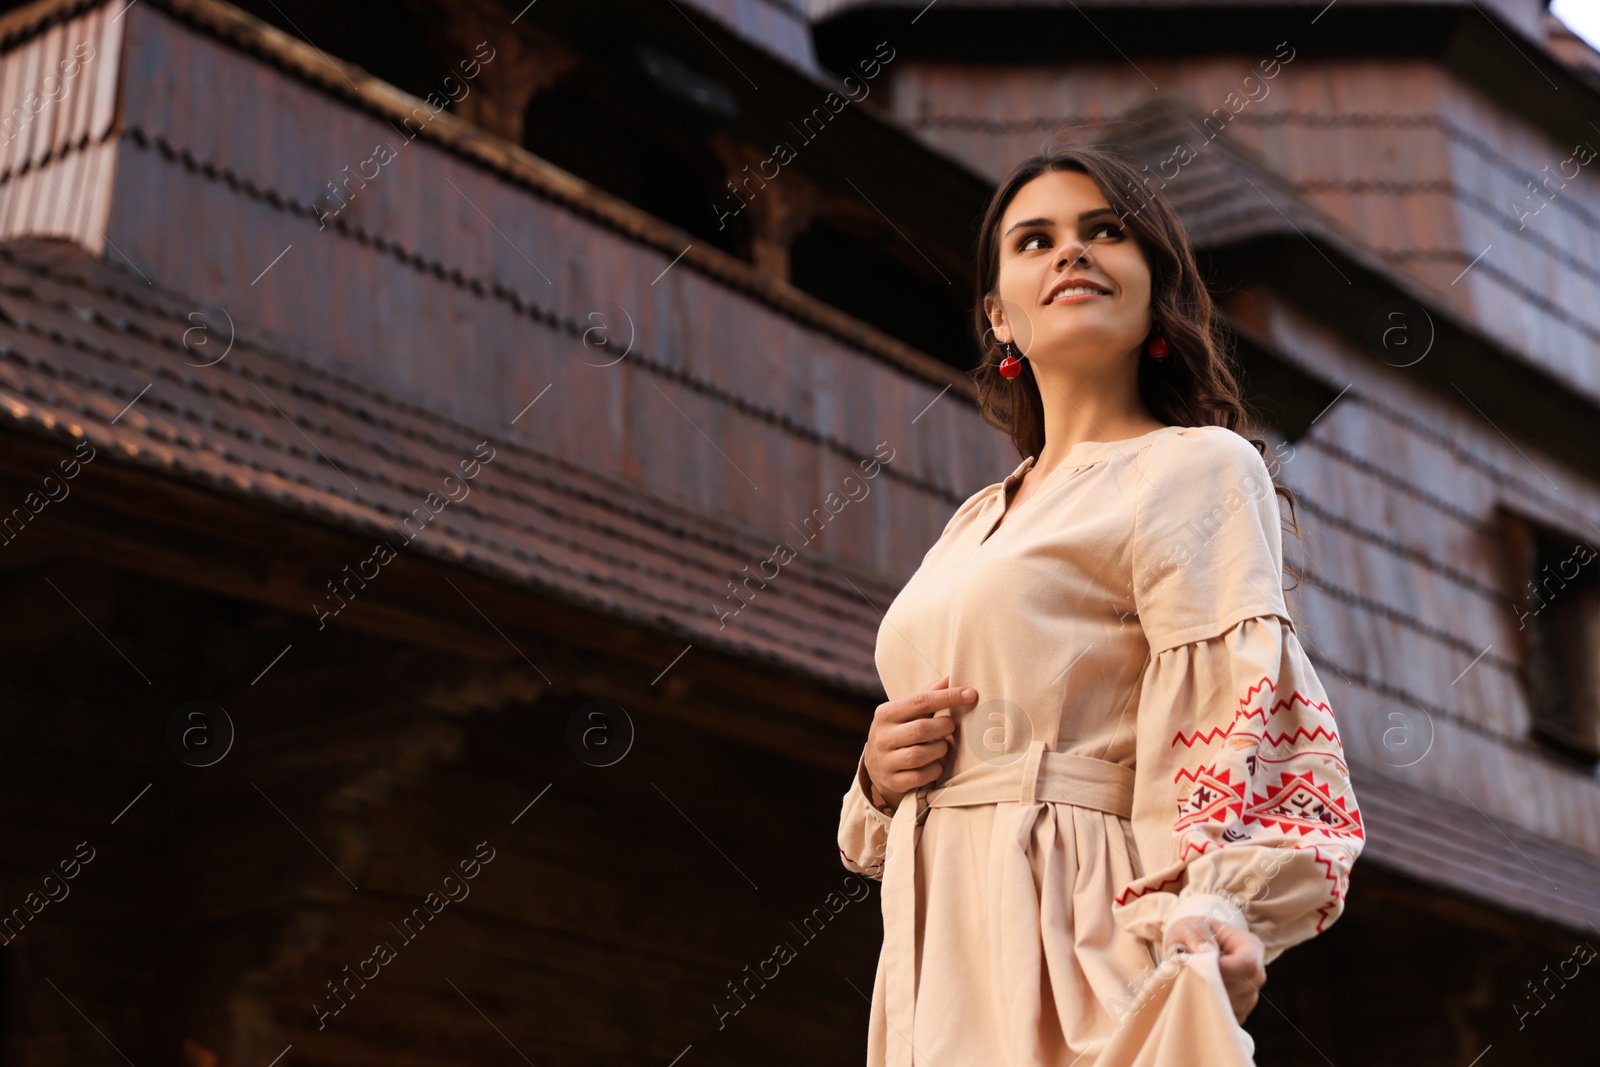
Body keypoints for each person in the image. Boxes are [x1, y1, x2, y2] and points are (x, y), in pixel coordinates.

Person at [836, 142, 1365, 1067]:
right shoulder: (972, 520)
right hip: (931, 952)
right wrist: (878, 779)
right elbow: (882, 828)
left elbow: (1225, 713)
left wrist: (1212, 907)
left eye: (1104, 232)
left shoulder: (1196, 466)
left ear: (1152, 288)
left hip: (1079, 933)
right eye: (1035, 240)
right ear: (1000, 316)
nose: (1070, 252)